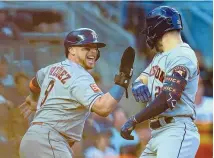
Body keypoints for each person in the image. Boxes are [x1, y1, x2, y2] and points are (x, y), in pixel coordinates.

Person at [19, 28, 135, 158]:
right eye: (87, 47)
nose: (93, 52)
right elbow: (103, 108)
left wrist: (33, 98)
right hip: (50, 140)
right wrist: (123, 80)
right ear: (71, 49)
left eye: (95, 48)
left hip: (32, 139)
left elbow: (34, 83)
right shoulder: (80, 76)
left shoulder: (52, 68)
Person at [120, 6, 200, 158]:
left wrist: (135, 119)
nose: (149, 35)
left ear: (158, 28)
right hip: (158, 133)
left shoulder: (182, 55)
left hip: (176, 131)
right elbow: (143, 77)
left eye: (150, 29)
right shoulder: (160, 57)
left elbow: (168, 98)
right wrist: (138, 84)